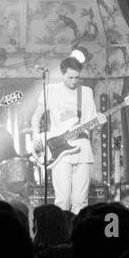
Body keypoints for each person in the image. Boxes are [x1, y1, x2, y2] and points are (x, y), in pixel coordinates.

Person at [30, 58, 102, 214]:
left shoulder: (86, 92)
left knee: (80, 202)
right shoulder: (50, 90)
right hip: (59, 150)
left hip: (82, 149)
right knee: (62, 200)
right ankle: (61, 235)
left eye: (77, 77)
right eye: (70, 77)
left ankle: (77, 235)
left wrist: (99, 121)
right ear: (62, 74)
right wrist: (36, 137)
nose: (74, 81)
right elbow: (36, 117)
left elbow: (92, 123)